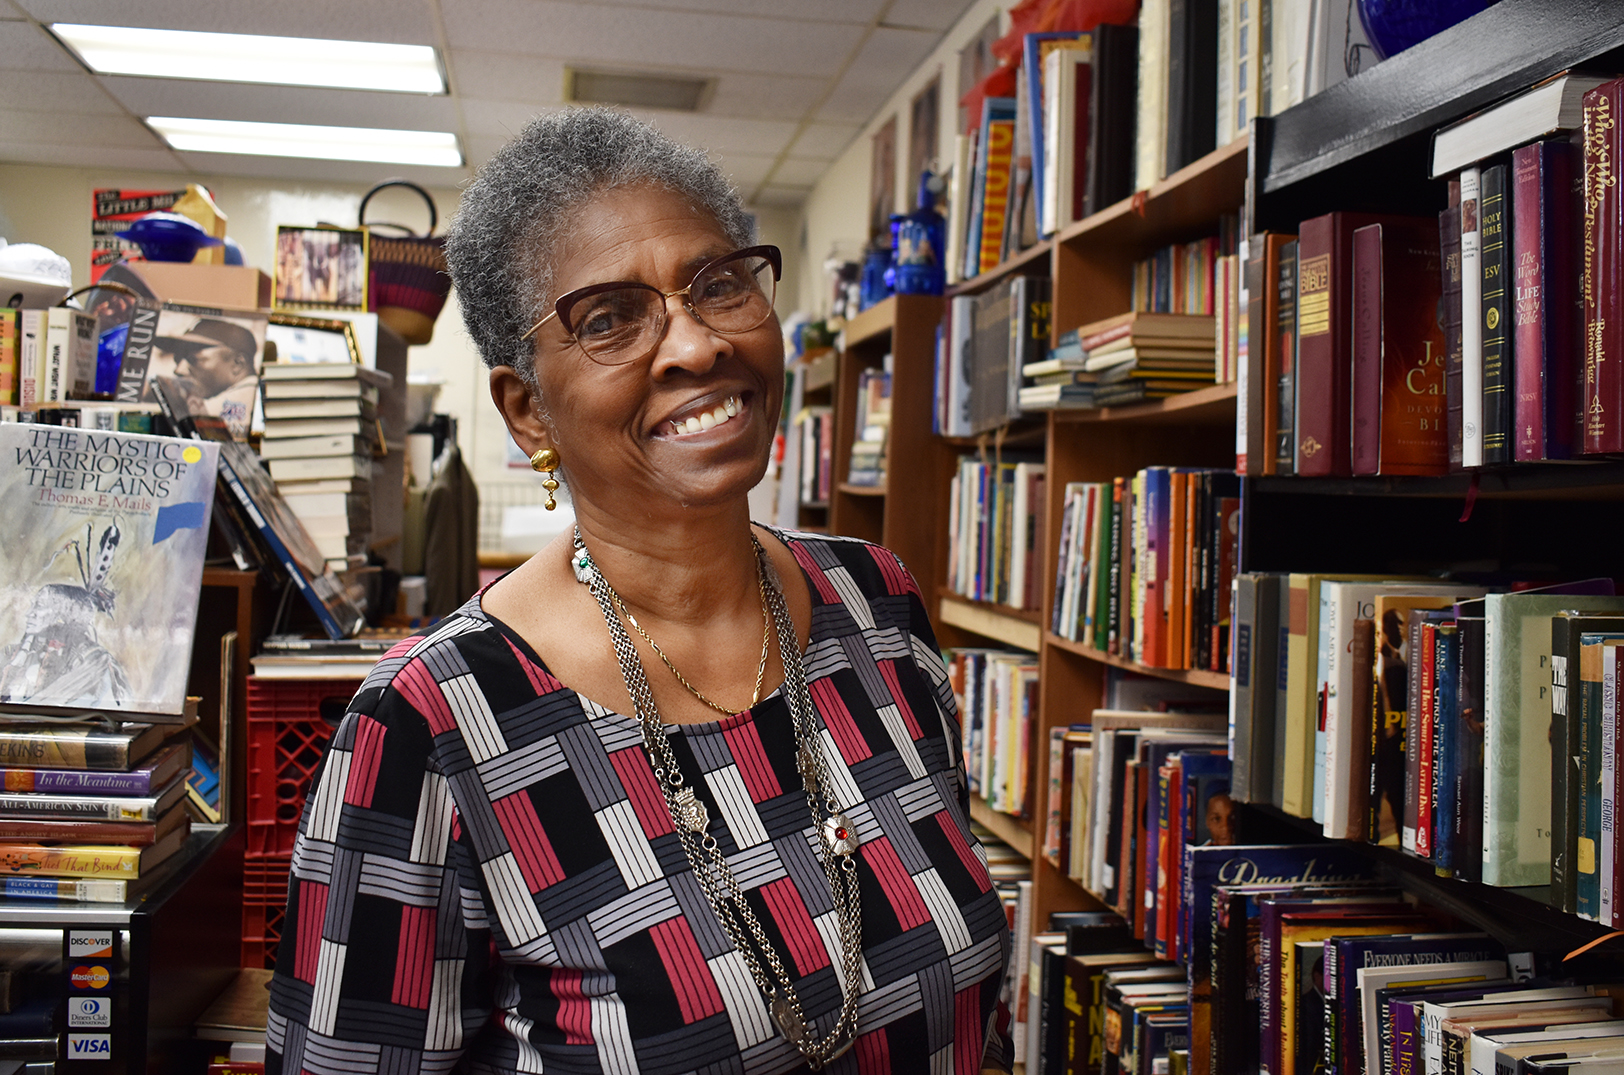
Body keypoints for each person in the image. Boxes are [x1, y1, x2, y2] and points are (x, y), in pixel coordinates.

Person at [265, 107, 1012, 1075]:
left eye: (718, 284)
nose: (695, 346)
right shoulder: (433, 720)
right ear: (528, 407)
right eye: (609, 318)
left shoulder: (876, 602)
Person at [153, 317, 258, 436]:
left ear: (238, 363)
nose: (178, 370)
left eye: (194, 360)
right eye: (177, 359)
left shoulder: (220, 409)